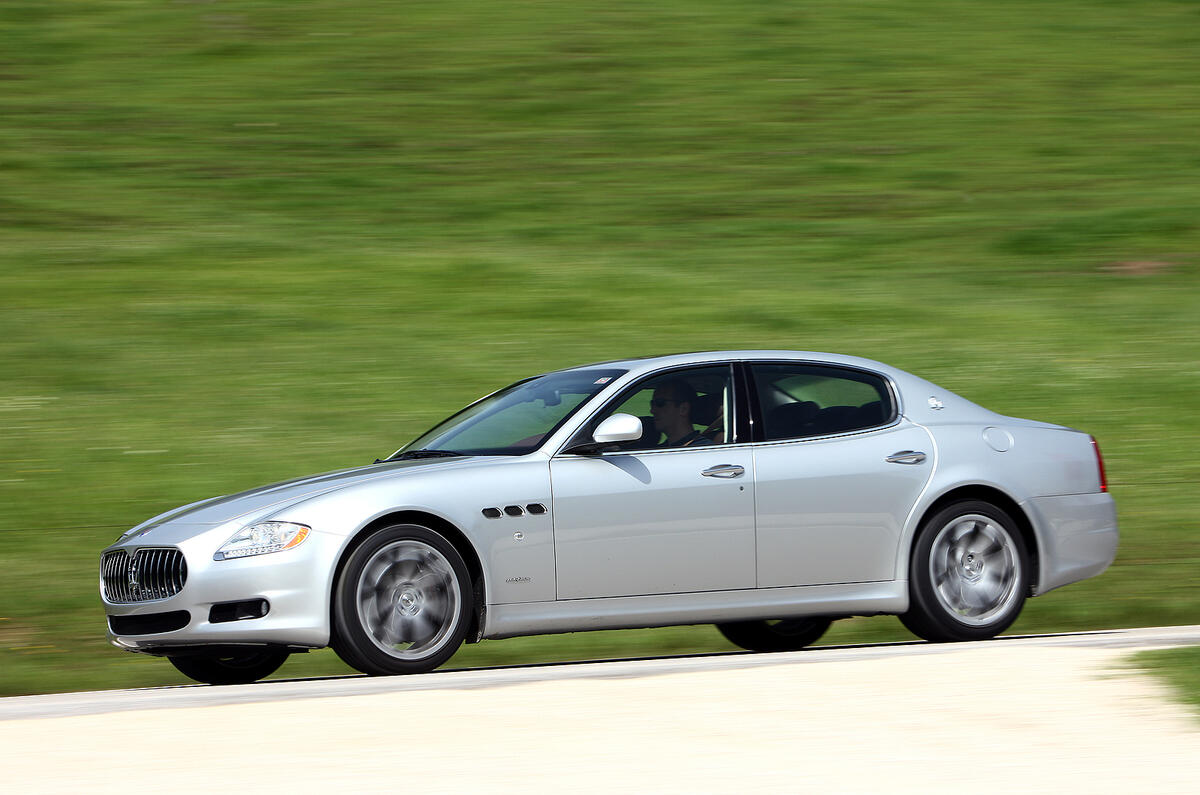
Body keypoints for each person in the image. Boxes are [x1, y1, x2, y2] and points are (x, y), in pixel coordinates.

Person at [649, 380, 714, 448]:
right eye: (652, 404)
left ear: (683, 409)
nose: (652, 411)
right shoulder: (660, 449)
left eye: (660, 403)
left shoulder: (703, 450)